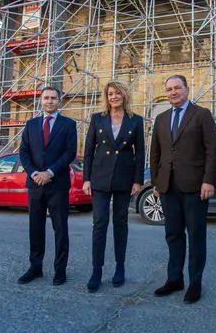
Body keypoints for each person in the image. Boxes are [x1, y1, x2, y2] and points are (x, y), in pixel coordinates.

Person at [149, 74, 216, 304]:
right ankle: (174, 279)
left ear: (187, 89)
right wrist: (156, 181)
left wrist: (209, 180)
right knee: (173, 234)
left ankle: (194, 283)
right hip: (168, 186)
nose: (173, 92)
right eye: (169, 89)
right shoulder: (161, 118)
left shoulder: (202, 114)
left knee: (196, 235)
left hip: (195, 186)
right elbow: (155, 153)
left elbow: (212, 150)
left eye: (177, 88)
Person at [82, 80, 145, 292]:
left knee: (121, 224)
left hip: (124, 178)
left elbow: (140, 153)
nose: (114, 97)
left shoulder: (135, 120)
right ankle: (96, 271)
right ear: (106, 97)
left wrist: (137, 180)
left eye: (118, 93)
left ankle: (120, 268)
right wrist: (86, 179)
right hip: (100, 177)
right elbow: (88, 151)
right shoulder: (97, 118)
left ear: (124, 95)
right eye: (110, 93)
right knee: (99, 224)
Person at [17, 86, 77, 286]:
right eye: (46, 98)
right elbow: (24, 152)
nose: (49, 101)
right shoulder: (31, 124)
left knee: (60, 228)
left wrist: (49, 172)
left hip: (57, 183)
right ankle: (35, 267)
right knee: (35, 227)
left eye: (53, 98)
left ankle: (60, 270)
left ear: (59, 101)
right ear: (41, 101)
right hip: (35, 184)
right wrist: (34, 173)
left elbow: (70, 153)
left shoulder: (68, 124)